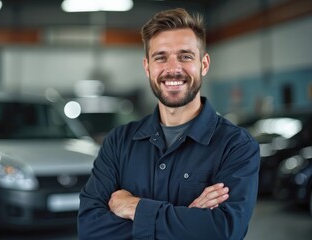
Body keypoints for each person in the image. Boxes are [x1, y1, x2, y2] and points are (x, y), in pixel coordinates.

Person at [78, 8, 260, 240]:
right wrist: (188, 219)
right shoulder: (118, 142)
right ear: (147, 67)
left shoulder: (236, 146)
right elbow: (90, 229)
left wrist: (136, 207)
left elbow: (223, 231)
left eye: (185, 56)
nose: (173, 69)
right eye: (161, 57)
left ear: (204, 64)